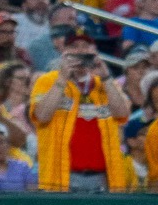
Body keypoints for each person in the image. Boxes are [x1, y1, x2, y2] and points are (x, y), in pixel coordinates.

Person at [27, 32, 133, 192]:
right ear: (64, 52)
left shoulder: (106, 84)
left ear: (94, 51)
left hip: (103, 176)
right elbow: (41, 116)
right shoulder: (47, 81)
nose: (80, 52)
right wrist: (62, 79)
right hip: (62, 176)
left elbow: (122, 114)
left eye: (86, 46)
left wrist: (106, 78)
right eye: (74, 47)